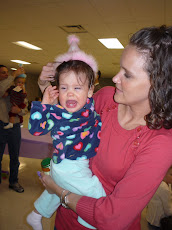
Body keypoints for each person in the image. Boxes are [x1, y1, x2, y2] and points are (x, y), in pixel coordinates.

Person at [36, 25, 172, 230]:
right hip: (64, 222)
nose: (115, 78)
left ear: (159, 85)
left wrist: (59, 191)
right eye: (120, 69)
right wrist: (47, 88)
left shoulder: (160, 143)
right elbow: (66, 119)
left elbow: (114, 217)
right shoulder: (107, 97)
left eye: (127, 75)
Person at [26, 35, 105, 230]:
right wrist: (44, 105)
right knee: (95, 192)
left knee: (56, 194)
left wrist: (74, 54)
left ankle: (36, 215)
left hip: (66, 166)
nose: (70, 93)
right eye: (64, 87)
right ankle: (89, 221)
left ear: (89, 91)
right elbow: (36, 130)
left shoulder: (89, 106)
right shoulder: (56, 112)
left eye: (77, 87)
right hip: (69, 166)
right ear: (57, 90)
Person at [0, 65, 28, 193]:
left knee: (15, 157)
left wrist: (19, 110)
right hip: (1, 125)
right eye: (3, 73)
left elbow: (25, 107)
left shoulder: (19, 88)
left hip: (15, 127)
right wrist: (13, 75)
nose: (6, 75)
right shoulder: (4, 87)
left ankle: (13, 181)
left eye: (7, 73)